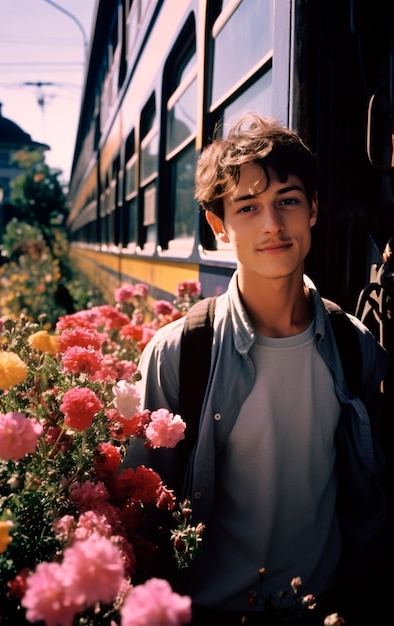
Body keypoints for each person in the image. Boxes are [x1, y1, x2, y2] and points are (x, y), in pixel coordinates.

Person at [123, 114, 392, 625]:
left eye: (288, 200)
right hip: (208, 612)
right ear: (219, 226)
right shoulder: (181, 352)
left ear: (313, 209)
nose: (272, 223)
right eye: (247, 207)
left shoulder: (353, 346)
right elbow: (141, 509)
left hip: (323, 607)